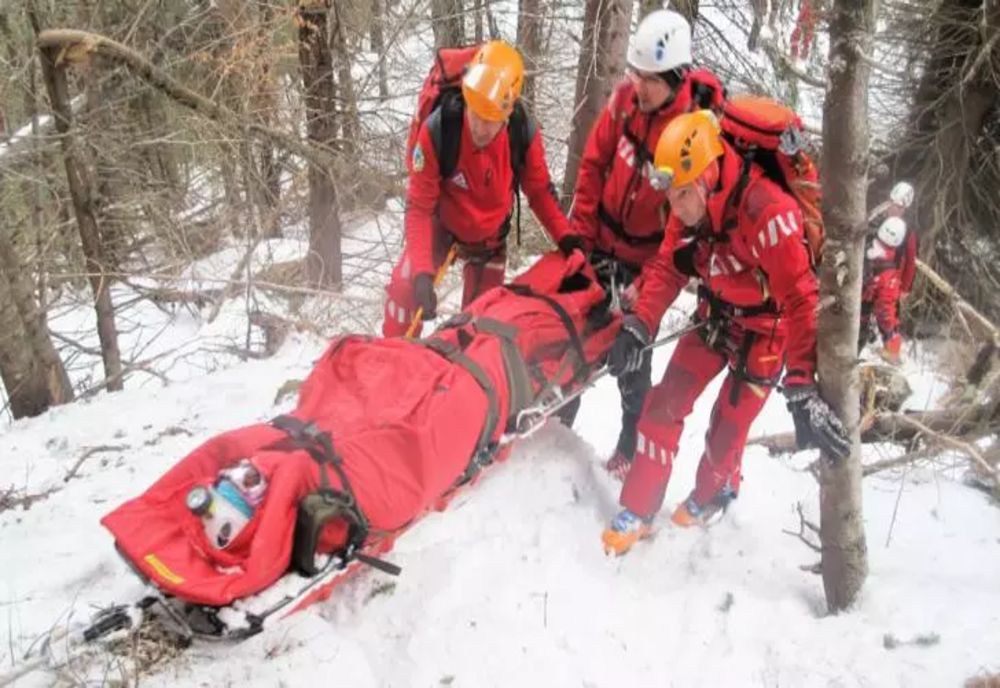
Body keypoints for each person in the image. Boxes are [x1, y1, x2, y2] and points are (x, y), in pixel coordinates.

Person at [599, 110, 850, 556]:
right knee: (663, 404)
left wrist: (800, 385)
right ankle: (639, 508)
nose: (673, 211)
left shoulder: (770, 214)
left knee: (726, 429)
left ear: (704, 180)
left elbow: (801, 301)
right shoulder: (688, 204)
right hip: (715, 316)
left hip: (765, 333)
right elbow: (666, 266)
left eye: (679, 198)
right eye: (671, 198)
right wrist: (638, 326)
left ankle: (714, 491)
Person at [556, 9, 725, 479]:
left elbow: (682, 233)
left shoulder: (692, 132)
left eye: (650, 79)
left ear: (675, 77)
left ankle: (630, 433)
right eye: (636, 74)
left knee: (631, 355)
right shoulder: (626, 102)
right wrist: (580, 242)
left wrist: (647, 286)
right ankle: (557, 425)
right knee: (573, 336)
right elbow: (592, 166)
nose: (639, 85)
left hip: (648, 256)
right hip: (601, 237)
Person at [382, 41, 572, 337]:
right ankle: (393, 365)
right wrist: (421, 273)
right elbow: (419, 207)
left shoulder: (522, 133)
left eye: (491, 120)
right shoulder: (439, 129)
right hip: (441, 225)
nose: (481, 128)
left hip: (489, 239)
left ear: (507, 115)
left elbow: (540, 193)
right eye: (476, 115)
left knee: (479, 329)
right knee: (403, 291)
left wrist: (569, 239)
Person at [860, 182, 917, 363]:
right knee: (861, 314)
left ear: (905, 208)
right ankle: (858, 344)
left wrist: (906, 287)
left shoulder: (907, 231)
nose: (895, 208)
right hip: (866, 276)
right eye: (893, 203)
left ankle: (891, 350)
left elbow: (910, 260)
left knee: (887, 315)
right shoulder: (877, 219)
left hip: (891, 280)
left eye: (899, 206)